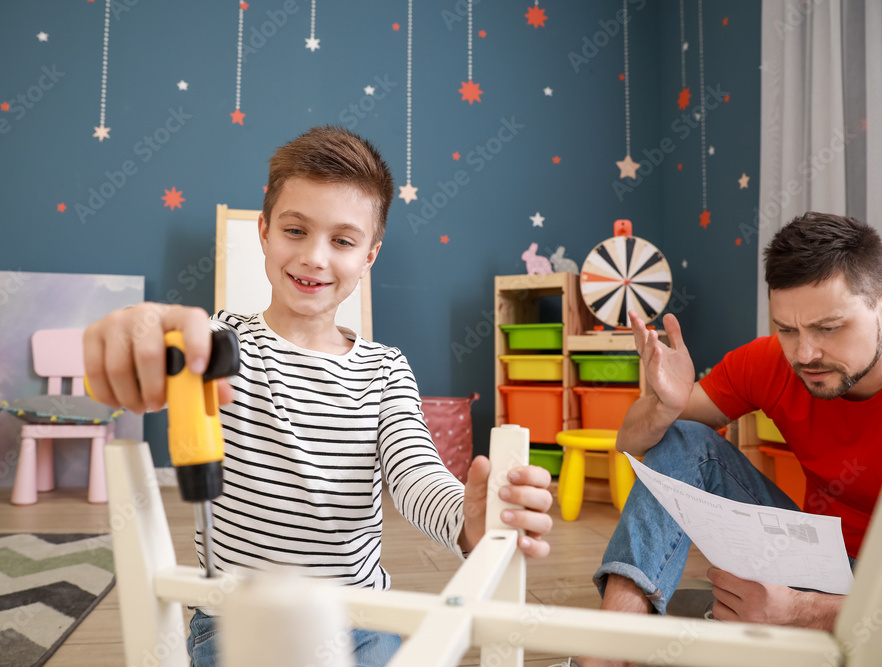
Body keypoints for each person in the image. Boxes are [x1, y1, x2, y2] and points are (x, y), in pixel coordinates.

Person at [83, 126, 554, 667]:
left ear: (369, 256)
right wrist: (134, 327)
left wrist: (467, 517)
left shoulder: (385, 371)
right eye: (295, 230)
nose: (314, 257)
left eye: (343, 241)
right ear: (263, 231)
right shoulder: (217, 345)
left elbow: (414, 476)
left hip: (359, 621)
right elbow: (158, 341)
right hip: (234, 620)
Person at [579, 212, 882, 667]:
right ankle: (609, 651)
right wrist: (663, 406)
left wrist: (800, 611)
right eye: (787, 329)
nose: (805, 354)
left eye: (829, 328)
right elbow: (634, 446)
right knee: (682, 435)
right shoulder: (771, 362)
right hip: (817, 561)